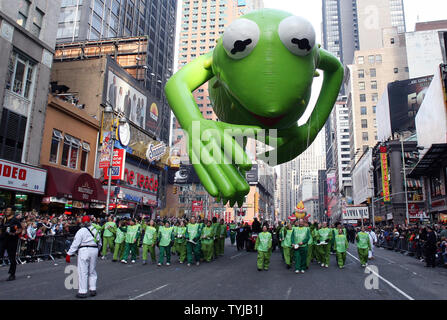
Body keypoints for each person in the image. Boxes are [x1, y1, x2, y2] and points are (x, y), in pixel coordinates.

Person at [66, 215, 101, 298]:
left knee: (83, 271)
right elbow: (99, 242)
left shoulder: (81, 231)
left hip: (84, 250)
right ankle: (93, 288)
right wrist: (98, 251)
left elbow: (75, 243)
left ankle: (83, 291)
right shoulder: (96, 229)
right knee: (92, 270)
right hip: (94, 249)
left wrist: (69, 253)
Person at [0, 207, 22, 280]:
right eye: (6, 210)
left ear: (12, 212)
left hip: (11, 241)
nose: (7, 211)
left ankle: (12, 274)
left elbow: (20, 229)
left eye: (9, 210)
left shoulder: (15, 220)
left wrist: (14, 233)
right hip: (3, 240)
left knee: (12, 257)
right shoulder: (4, 219)